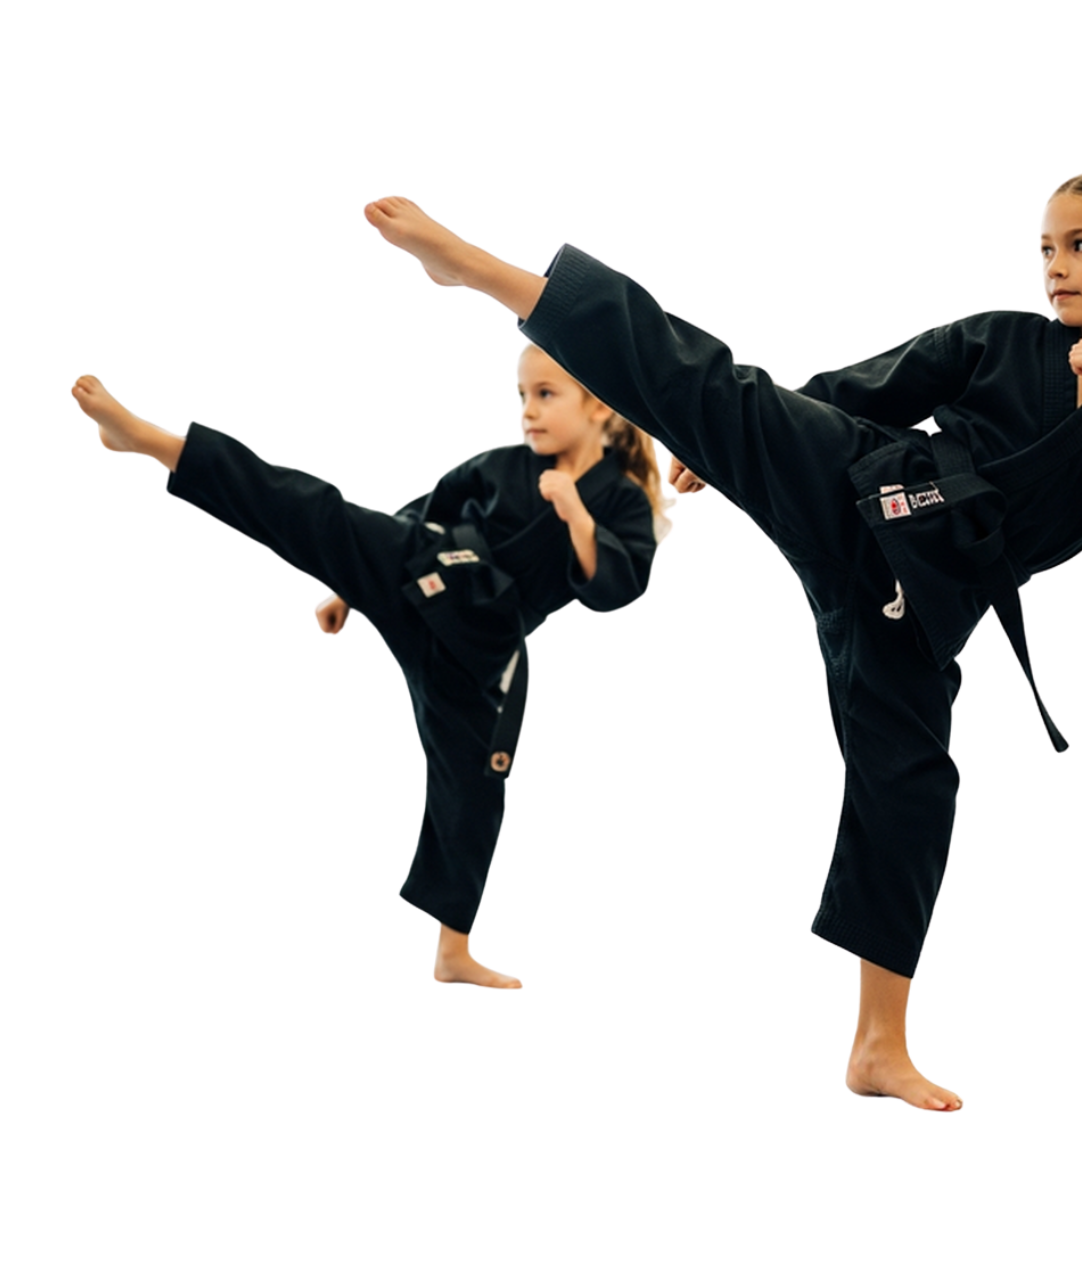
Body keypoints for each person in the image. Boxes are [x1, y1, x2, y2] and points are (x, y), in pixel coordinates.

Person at [360, 167, 1082, 1113]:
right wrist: (732, 445)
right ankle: (479, 268)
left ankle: (876, 1045)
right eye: (1045, 246)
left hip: (923, 593)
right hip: (858, 482)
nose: (1055, 265)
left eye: (1081, 245)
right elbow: (858, 386)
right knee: (712, 381)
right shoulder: (999, 337)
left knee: (910, 777)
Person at [68, 344, 672, 989]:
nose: (527, 411)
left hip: (483, 645)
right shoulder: (501, 467)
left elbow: (617, 589)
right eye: (521, 395)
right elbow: (418, 515)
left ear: (599, 406)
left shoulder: (622, 499)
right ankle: (154, 441)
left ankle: (453, 953)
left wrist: (578, 517)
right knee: (314, 510)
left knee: (473, 787)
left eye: (546, 394)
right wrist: (350, 589)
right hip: (424, 570)